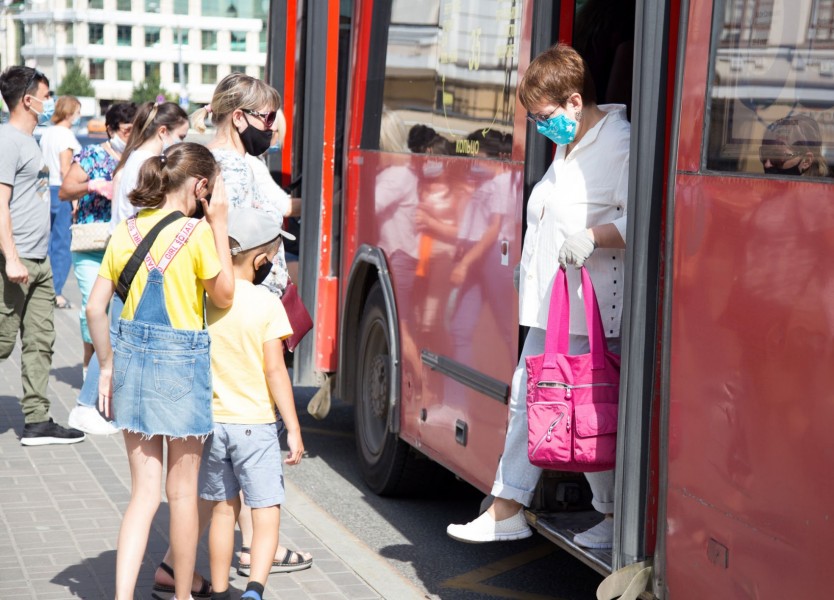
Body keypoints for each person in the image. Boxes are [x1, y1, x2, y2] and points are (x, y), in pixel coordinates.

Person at [446, 43, 630, 550]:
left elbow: (646, 216)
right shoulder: (567, 142)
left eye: (544, 116)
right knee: (556, 402)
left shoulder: (620, 144)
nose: (540, 126)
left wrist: (594, 237)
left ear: (575, 101)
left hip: (591, 303)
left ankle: (515, 508)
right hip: (554, 299)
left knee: (569, 404)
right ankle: (597, 515)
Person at [86, 143, 234, 600]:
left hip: (131, 363)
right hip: (180, 367)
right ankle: (184, 595)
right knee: (183, 493)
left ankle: (122, 596)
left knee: (143, 494)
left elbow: (95, 308)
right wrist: (220, 222)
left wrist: (107, 367)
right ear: (201, 186)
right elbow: (224, 295)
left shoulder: (126, 230)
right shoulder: (197, 236)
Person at [188, 72, 313, 576]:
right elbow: (266, 220)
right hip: (245, 309)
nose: (274, 126)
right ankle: (220, 555)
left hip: (237, 308)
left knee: (223, 452)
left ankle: (229, 551)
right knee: (244, 436)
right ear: (238, 117)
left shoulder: (229, 160)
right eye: (267, 117)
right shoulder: (230, 167)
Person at [67, 101, 189, 437]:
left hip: (128, 258)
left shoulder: (133, 158)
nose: (180, 143)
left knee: (119, 336)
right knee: (117, 337)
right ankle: (86, 405)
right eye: (179, 136)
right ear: (162, 132)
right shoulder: (147, 163)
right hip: (137, 262)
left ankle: (100, 405)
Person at [199, 207, 303, 600]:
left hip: (214, 424)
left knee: (223, 511)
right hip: (255, 427)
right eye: (275, 258)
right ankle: (254, 590)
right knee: (265, 511)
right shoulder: (266, 304)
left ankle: (222, 589)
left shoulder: (208, 299)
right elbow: (275, 371)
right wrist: (292, 427)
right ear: (261, 261)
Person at [0, 66, 85, 446]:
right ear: (27, 99)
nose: (49, 103)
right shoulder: (7, 141)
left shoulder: (32, 141)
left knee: (40, 340)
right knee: (2, 341)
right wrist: (12, 257)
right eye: (45, 96)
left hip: (39, 260)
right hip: (14, 261)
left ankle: (37, 419)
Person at [59, 102, 137, 388]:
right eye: (126, 131)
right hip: (91, 244)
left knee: (122, 310)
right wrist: (93, 186)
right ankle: (91, 363)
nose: (131, 137)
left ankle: (112, 367)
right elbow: (66, 191)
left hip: (126, 246)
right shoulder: (91, 156)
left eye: (135, 131)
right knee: (93, 308)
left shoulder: (138, 159)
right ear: (111, 130)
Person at [39, 94, 82, 309]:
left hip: (47, 190)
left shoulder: (47, 133)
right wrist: (74, 198)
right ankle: (55, 292)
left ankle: (42, 288)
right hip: (62, 190)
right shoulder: (65, 135)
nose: (78, 116)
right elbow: (66, 169)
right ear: (70, 112)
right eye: (77, 111)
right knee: (63, 245)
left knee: (47, 243)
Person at [759, 114, 829, 177]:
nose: (767, 165)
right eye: (764, 154)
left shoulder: (822, 190)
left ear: (806, 161)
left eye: (777, 156)